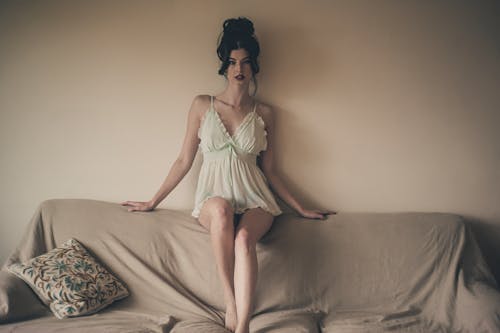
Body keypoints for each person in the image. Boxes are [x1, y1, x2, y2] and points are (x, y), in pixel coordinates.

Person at [121, 16, 336, 333]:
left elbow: (271, 170)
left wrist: (301, 207)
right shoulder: (201, 105)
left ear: (254, 67)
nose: (239, 69)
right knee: (221, 210)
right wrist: (152, 200)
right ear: (224, 66)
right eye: (233, 62)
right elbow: (183, 160)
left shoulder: (265, 113)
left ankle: (243, 326)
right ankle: (231, 304)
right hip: (213, 198)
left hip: (256, 198)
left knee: (245, 238)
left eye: (246, 62)